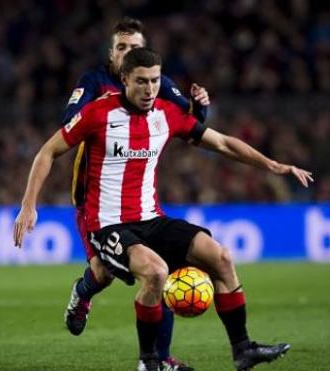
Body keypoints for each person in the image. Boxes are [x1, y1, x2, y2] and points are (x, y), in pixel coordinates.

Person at [14, 47, 313, 371]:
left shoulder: (167, 114)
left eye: (155, 81)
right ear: (125, 79)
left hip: (152, 219)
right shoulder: (98, 113)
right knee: (155, 272)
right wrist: (28, 206)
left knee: (221, 258)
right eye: (141, 81)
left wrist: (273, 165)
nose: (149, 89)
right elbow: (46, 152)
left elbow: (223, 143)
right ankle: (150, 362)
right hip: (107, 225)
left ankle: (243, 350)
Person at [60, 17, 208, 371]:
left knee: (163, 274)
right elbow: (71, 121)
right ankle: (82, 294)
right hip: (95, 199)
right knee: (103, 272)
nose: (129, 53)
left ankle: (161, 358)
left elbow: (189, 122)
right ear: (111, 54)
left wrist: (201, 105)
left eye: (134, 47)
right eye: (122, 48)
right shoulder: (94, 82)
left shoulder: (157, 82)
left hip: (141, 201)